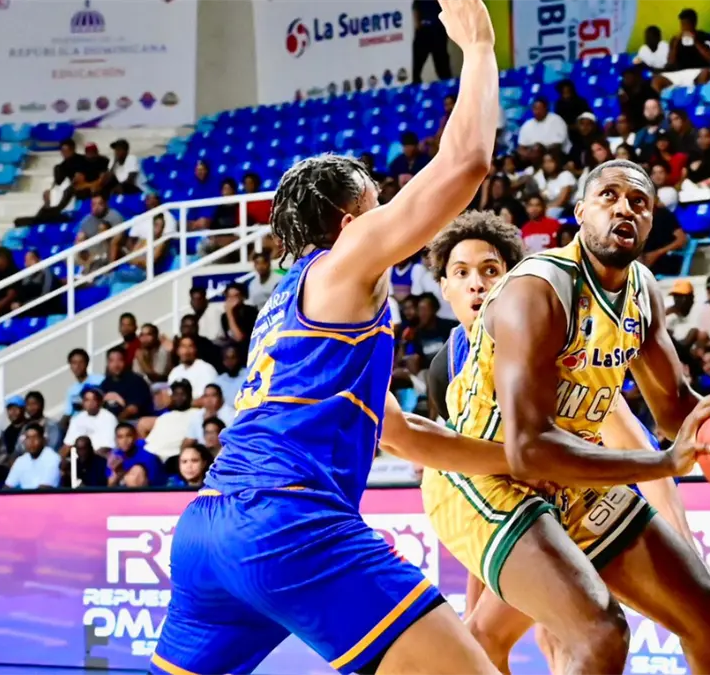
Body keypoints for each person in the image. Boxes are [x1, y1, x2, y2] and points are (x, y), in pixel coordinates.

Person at [150, 1, 505, 672]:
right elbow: (466, 163)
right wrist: (480, 47)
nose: (389, 225)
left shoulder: (285, 308)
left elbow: (401, 434)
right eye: (378, 208)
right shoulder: (350, 256)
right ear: (349, 220)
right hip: (287, 525)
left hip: (208, 532)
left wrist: (515, 458)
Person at [420, 159, 710, 675]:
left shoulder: (641, 290)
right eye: (609, 197)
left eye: (639, 202)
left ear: (650, 223)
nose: (625, 207)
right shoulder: (538, 289)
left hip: (569, 475)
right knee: (600, 633)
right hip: (489, 479)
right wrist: (663, 464)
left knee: (709, 611)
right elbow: (526, 450)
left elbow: (673, 409)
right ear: (579, 213)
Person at [382, 211, 694, 672]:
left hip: (586, 503)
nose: (477, 285)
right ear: (444, 288)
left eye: (490, 271)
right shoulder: (446, 364)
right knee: (482, 639)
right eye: (461, 273)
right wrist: (484, 575)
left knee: (569, 638)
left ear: (513, 278)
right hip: (511, 512)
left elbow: (640, 448)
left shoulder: (549, 337)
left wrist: (683, 544)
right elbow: (468, 471)